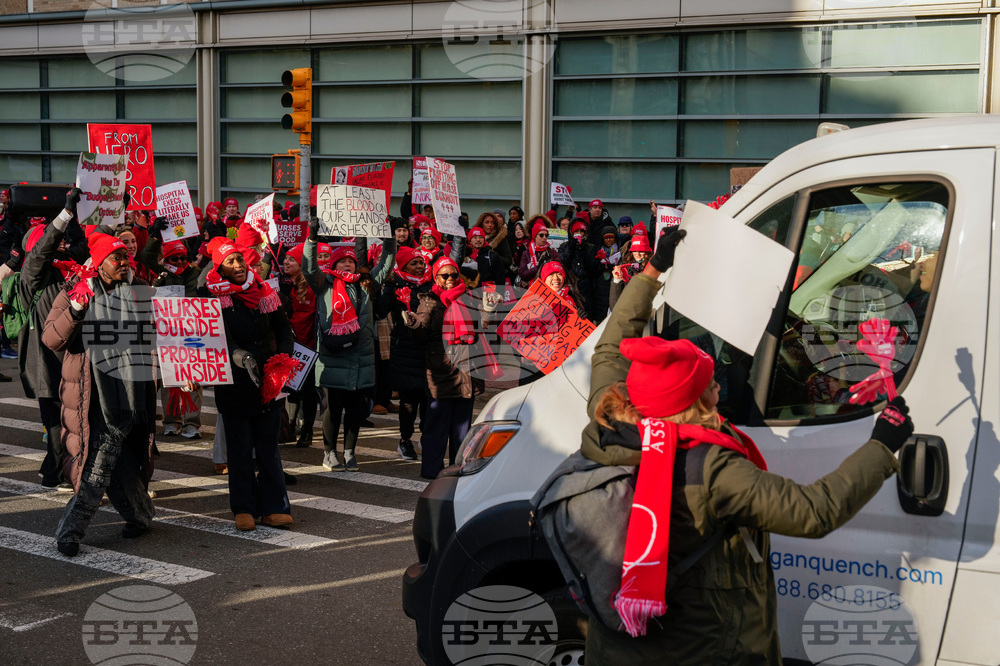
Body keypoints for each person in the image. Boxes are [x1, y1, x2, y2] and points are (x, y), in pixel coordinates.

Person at [577, 229, 912, 663]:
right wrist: (882, 445)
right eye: (709, 385)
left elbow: (610, 349)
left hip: (616, 651)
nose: (719, 387)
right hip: (700, 653)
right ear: (692, 403)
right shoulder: (710, 467)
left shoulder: (610, 418)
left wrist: (653, 269)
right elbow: (814, 511)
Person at [42, 232, 158, 556]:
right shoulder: (74, 290)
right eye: (115, 257)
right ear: (99, 263)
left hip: (133, 392)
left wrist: (182, 369)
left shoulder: (139, 291)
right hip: (94, 396)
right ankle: (70, 532)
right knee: (100, 462)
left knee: (118, 458)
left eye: (125, 257)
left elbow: (160, 336)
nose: (124, 262)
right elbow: (51, 338)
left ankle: (140, 515)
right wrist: (76, 309)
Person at [205, 237, 294, 531]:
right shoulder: (211, 296)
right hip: (234, 382)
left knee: (269, 449)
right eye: (229, 261)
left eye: (240, 259)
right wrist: (238, 355)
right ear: (219, 268)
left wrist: (283, 357)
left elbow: (283, 327)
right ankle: (243, 508)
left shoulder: (264, 289)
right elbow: (216, 337)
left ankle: (275, 507)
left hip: (269, 379)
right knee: (240, 450)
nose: (238, 265)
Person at [304, 219, 396, 472]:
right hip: (334, 355)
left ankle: (349, 452)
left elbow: (386, 262)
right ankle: (329, 453)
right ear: (333, 265)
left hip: (361, 356)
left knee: (356, 410)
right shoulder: (324, 284)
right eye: (342, 261)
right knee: (334, 409)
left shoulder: (367, 284)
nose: (348, 264)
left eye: (351, 261)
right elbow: (309, 267)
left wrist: (389, 237)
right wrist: (312, 239)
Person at [401, 257, 495, 479]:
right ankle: (432, 471)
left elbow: (482, 327)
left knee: (462, 429)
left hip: (466, 370)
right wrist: (413, 324)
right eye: (445, 275)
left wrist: (488, 311)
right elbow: (422, 333)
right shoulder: (429, 301)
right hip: (440, 369)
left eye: (454, 274)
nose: (450, 279)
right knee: (436, 427)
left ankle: (458, 469)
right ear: (436, 278)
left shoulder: (470, 297)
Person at [377, 245, 432, 460]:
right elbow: (381, 310)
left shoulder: (430, 283)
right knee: (409, 400)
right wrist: (388, 287)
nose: (419, 267)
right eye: (413, 263)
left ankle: (426, 436)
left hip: (427, 347)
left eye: (421, 262)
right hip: (405, 349)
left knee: (428, 397)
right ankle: (405, 440)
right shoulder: (395, 284)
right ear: (403, 266)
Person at [279, 242, 320, 449]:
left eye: (291, 259)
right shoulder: (283, 285)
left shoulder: (312, 287)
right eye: (285, 258)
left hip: (308, 348)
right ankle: (291, 424)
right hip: (288, 345)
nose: (286, 262)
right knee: (290, 388)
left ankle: (307, 430)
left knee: (308, 391)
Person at [609, 232, 653, 312]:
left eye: (641, 251)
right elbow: (614, 306)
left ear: (647, 252)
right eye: (635, 251)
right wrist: (617, 281)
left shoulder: (653, 268)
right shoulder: (624, 267)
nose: (637, 254)